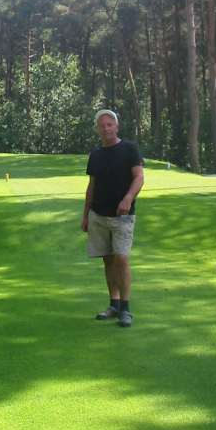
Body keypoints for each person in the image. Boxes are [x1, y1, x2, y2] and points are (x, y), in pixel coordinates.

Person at [81, 110, 144, 327]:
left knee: (122, 259)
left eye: (110, 124)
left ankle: (126, 309)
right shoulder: (96, 154)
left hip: (123, 217)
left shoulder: (129, 149)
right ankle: (114, 304)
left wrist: (128, 198)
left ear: (116, 127)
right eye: (102, 125)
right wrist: (85, 215)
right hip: (98, 215)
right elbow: (92, 186)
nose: (106, 128)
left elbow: (139, 177)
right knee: (108, 259)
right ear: (98, 129)